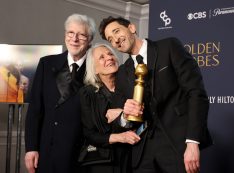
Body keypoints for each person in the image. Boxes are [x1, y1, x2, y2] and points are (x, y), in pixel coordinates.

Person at [99, 16, 213, 173]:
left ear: (131, 28)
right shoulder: (121, 74)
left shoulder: (169, 47)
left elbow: (196, 93)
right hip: (142, 153)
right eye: (110, 39)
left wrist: (192, 142)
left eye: (117, 32)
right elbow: (120, 120)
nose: (116, 41)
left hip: (177, 145)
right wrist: (125, 116)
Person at [24, 13, 96, 173]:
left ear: (90, 40)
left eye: (81, 35)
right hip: (47, 149)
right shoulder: (46, 63)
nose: (74, 39)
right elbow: (35, 110)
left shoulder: (96, 69)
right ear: (65, 35)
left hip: (81, 154)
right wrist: (31, 148)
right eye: (70, 33)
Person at [79, 43, 140, 173]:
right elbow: (90, 134)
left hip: (133, 159)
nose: (109, 58)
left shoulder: (131, 86)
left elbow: (143, 115)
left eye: (111, 54)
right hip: (103, 163)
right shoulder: (87, 94)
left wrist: (121, 113)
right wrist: (121, 137)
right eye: (102, 57)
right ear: (94, 68)